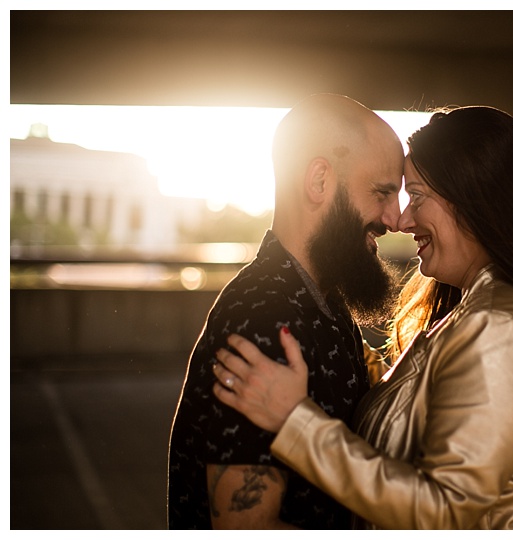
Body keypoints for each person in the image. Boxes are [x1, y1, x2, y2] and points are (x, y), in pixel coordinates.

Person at [211, 106, 513, 529]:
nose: (403, 220)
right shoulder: (482, 315)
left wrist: (295, 422)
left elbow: (443, 513)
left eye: (418, 196)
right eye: (390, 195)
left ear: (477, 199)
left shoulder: (507, 329)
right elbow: (422, 401)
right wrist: (328, 342)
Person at [167, 93, 405, 529]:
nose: (395, 218)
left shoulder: (325, 301)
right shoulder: (265, 316)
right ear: (319, 181)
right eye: (382, 193)